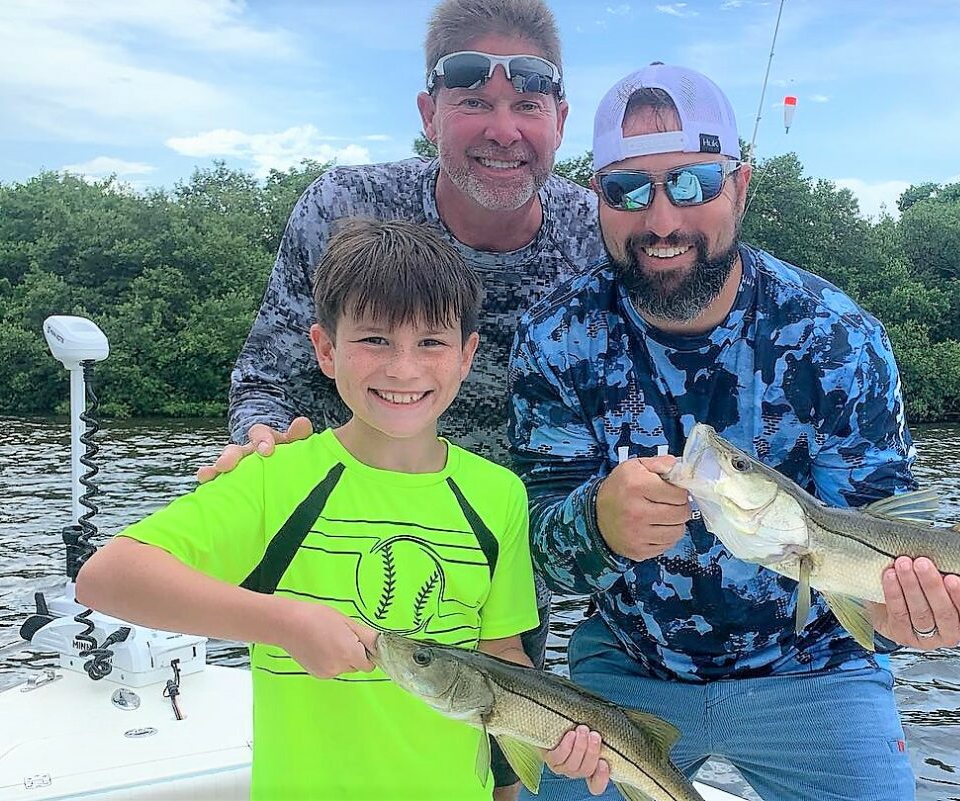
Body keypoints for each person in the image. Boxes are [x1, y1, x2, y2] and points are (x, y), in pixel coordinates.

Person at [507, 64, 960, 801]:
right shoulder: (555, 338)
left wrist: (909, 617)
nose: (662, 220)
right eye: (627, 190)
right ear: (597, 200)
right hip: (628, 671)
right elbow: (537, 553)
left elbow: (877, 539)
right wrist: (597, 524)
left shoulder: (838, 339)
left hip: (820, 670)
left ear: (741, 186)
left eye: (695, 183)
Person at [208, 1, 603, 792]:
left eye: (528, 104)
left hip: (498, 554)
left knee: (496, 762)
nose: (503, 129)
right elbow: (267, 372)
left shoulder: (597, 234)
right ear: (429, 113)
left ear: (559, 118)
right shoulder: (342, 208)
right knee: (332, 743)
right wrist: (260, 440)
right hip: (338, 545)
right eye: (473, 102)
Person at [77, 220, 607, 801]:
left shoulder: (499, 493)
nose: (403, 369)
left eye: (431, 342)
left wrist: (556, 733)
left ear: (466, 356)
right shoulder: (273, 476)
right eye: (374, 339)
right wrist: (284, 623)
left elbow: (500, 655)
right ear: (325, 350)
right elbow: (107, 577)